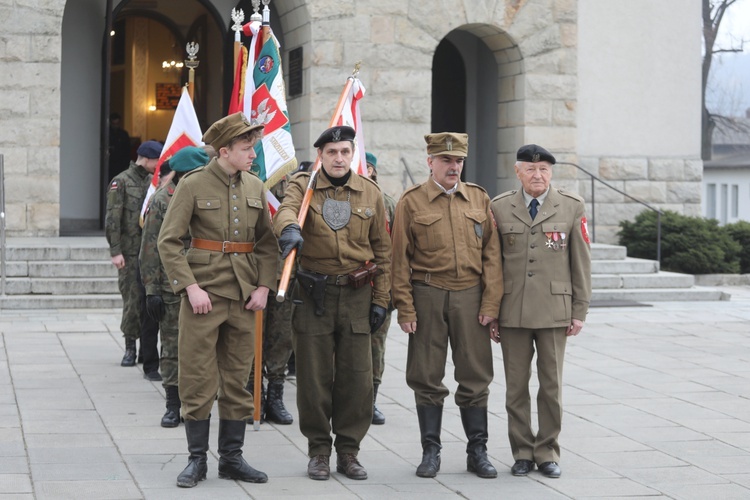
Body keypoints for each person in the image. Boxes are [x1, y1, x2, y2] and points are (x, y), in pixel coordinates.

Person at [157, 112, 278, 488]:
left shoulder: (256, 187)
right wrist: (189, 288)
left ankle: (232, 458)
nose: (253, 155)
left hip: (243, 298)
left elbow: (267, 245)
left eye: (253, 149)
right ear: (225, 151)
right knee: (197, 377)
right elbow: (169, 241)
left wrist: (263, 287)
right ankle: (196, 460)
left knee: (238, 379)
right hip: (203, 297)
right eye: (246, 149)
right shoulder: (193, 185)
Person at [274, 125, 391, 481]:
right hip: (314, 294)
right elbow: (285, 210)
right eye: (331, 153)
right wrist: (289, 229)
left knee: (358, 380)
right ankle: (319, 452)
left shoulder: (370, 193)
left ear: (352, 154)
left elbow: (383, 252)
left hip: (358, 294)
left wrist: (382, 299)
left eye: (345, 152)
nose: (339, 158)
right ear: (321, 156)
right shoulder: (303, 186)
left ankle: (349, 452)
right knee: (313, 378)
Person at [391, 132, 503, 479]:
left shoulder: (479, 199)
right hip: (428, 295)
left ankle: (477, 450)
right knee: (425, 376)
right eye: (445, 160)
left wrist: (491, 302)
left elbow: (492, 255)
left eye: (458, 161)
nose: (453, 167)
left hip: (470, 297)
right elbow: (399, 261)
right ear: (430, 163)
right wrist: (405, 308)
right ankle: (431, 451)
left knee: (475, 375)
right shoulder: (411, 202)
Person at [489, 144, 592, 479]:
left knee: (551, 386)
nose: (538, 176)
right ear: (518, 171)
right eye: (531, 170)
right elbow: (491, 265)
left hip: (554, 311)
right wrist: (491, 310)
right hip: (513, 311)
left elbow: (581, 263)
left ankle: (547, 451)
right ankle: (521, 451)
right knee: (515, 387)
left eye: (544, 170)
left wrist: (580, 310)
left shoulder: (571, 206)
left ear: (551, 172)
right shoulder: (500, 207)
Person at [139, 147, 211, 428]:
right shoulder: (162, 200)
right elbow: (151, 248)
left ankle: (200, 401)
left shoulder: (207, 195)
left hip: (206, 282)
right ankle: (173, 403)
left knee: (204, 348)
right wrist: (152, 290)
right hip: (172, 286)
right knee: (171, 347)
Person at [106, 140, 162, 367]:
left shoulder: (152, 183)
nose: (159, 165)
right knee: (132, 300)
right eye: (157, 160)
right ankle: (130, 346)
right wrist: (115, 251)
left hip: (148, 252)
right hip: (129, 254)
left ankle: (145, 350)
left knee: (147, 301)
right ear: (147, 158)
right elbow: (112, 219)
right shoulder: (121, 182)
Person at [246, 174, 295, 426]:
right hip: (253, 275)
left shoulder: (294, 187)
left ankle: (275, 396)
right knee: (251, 338)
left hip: (285, 275)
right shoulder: (249, 180)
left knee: (281, 338)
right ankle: (254, 396)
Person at [364, 151, 396, 425]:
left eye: (369, 167)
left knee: (376, 349)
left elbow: (396, 251)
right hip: (348, 287)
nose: (365, 172)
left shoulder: (388, 204)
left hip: (379, 289)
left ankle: (370, 400)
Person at [108, 112, 132, 181]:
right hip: (110, 163)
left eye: (117, 124)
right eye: (113, 124)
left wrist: (127, 164)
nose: (115, 126)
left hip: (121, 163)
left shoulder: (123, 134)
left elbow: (127, 150)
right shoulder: (107, 133)